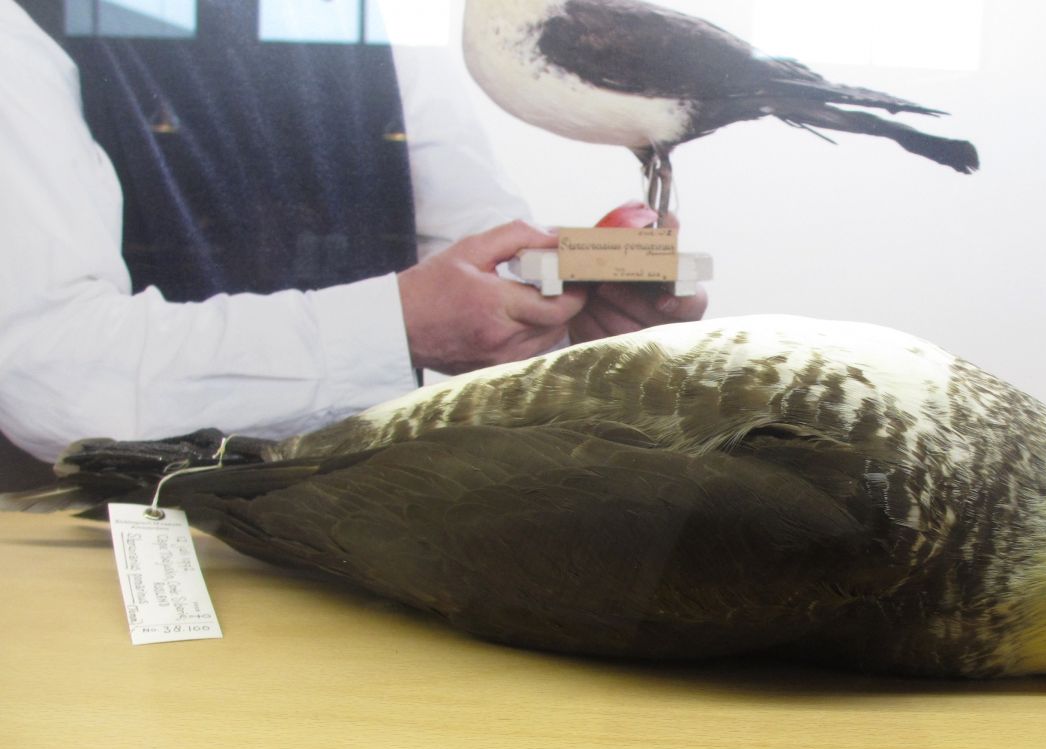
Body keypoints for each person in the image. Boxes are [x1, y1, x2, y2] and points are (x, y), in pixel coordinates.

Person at [0, 0, 706, 486]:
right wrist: (400, 324)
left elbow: (476, 260)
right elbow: (54, 374)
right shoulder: (22, 29)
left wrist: (568, 320)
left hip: (346, 531)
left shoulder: (378, 30)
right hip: (98, 561)